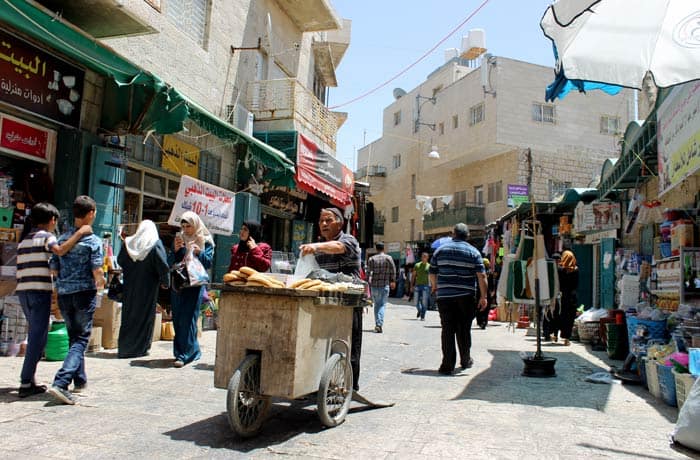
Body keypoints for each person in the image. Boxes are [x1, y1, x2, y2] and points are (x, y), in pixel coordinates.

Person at [15, 202, 92, 398]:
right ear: (52, 220)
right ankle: (25, 382)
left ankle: (29, 379)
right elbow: (59, 250)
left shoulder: (24, 241)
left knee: (36, 334)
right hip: (39, 292)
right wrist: (80, 233)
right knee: (38, 337)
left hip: (24, 292)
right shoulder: (46, 237)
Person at [47, 196, 105, 405]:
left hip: (64, 293)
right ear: (90, 214)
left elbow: (53, 268)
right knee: (81, 339)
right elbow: (97, 270)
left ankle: (80, 380)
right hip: (83, 293)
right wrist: (102, 281)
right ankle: (61, 382)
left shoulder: (62, 238)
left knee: (74, 337)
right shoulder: (93, 241)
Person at [300, 207, 362, 391]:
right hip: (327, 303)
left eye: (328, 220)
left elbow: (339, 248)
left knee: (349, 345)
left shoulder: (348, 240)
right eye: (321, 221)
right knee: (323, 342)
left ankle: (350, 386)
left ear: (339, 222)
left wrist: (315, 247)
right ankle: (322, 383)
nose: (324, 224)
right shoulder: (318, 247)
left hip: (350, 303)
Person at [429, 223, 487, 375]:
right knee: (464, 329)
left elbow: (432, 272)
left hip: (445, 297)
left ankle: (447, 365)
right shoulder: (474, 252)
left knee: (447, 329)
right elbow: (482, 276)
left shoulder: (440, 251)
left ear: (453, 234)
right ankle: (465, 359)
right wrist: (483, 297)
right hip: (466, 297)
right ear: (467, 236)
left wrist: (435, 287)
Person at [116, 220, 170, 359]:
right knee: (145, 316)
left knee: (128, 316)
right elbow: (162, 265)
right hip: (148, 287)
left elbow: (120, 260)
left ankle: (125, 347)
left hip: (130, 286)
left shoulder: (128, 243)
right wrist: (165, 282)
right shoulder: (154, 244)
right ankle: (140, 348)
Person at [170, 211, 215, 368]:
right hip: (179, 285)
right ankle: (188, 350)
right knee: (177, 318)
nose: (186, 229)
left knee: (188, 319)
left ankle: (184, 355)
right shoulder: (180, 239)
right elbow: (171, 262)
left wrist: (197, 251)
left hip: (194, 286)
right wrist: (176, 250)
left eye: (189, 225)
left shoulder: (205, 240)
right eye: (183, 225)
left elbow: (208, 263)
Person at [367, 242, 396, 333]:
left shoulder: (372, 259)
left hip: (375, 286)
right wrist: (393, 281)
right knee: (382, 305)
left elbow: (368, 273)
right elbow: (393, 270)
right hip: (385, 285)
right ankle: (379, 324)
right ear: (384, 248)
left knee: (377, 305)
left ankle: (378, 324)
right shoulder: (389, 258)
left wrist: (368, 283)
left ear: (376, 249)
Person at [556, 250, 579, 346]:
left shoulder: (560, 270)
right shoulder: (576, 270)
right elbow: (576, 284)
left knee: (560, 315)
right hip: (572, 296)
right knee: (570, 317)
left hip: (562, 295)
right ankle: (566, 338)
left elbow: (558, 283)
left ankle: (555, 334)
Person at [412, 252, 431, 320]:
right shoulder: (417, 265)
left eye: (425, 256)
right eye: (423, 256)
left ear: (427, 258)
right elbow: (413, 276)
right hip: (417, 285)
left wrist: (432, 286)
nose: (424, 258)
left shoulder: (429, 266)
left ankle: (423, 316)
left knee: (424, 302)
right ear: (421, 257)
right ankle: (419, 310)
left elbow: (431, 277)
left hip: (426, 286)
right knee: (416, 302)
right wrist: (412, 285)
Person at [475, 258, 493, 329]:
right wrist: (492, 291)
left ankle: (480, 321)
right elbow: (492, 284)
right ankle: (484, 322)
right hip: (487, 292)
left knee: (478, 307)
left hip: (479, 291)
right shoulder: (489, 273)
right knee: (486, 308)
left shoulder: (478, 272)